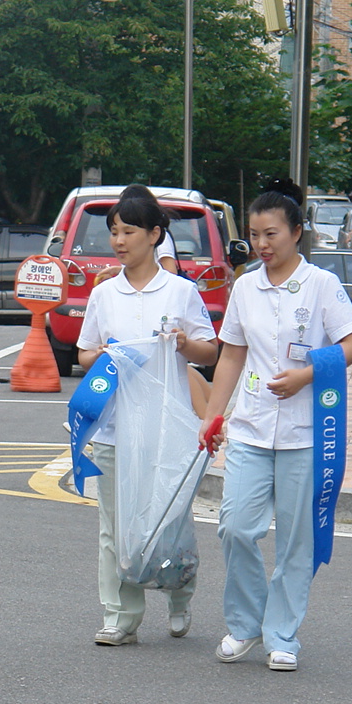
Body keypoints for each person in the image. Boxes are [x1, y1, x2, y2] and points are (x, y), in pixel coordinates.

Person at [200, 191, 352, 672]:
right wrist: (214, 416)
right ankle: (245, 624)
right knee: (234, 527)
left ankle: (282, 634)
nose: (261, 244)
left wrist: (307, 374)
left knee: (296, 540)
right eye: (254, 235)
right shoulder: (246, 288)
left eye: (271, 234)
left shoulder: (322, 285)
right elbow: (231, 353)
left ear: (296, 232)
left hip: (305, 435)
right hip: (251, 430)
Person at [75, 184, 219, 646]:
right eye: (114, 232)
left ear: (155, 235)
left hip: (165, 428)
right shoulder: (105, 294)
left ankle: (180, 594)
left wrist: (183, 342)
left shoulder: (179, 292)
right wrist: (101, 355)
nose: (119, 241)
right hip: (115, 426)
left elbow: (211, 350)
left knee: (167, 520)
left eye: (129, 231)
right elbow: (82, 353)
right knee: (114, 527)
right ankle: (120, 615)